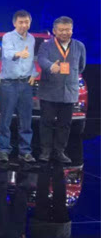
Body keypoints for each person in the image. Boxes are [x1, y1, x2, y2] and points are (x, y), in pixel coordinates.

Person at [37, 16, 86, 163]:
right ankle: (45, 151)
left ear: (72, 30)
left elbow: (81, 66)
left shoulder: (79, 46)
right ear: (54, 31)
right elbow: (41, 60)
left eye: (68, 29)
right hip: (49, 91)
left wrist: (70, 77)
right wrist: (51, 66)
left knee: (65, 124)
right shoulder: (46, 46)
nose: (65, 32)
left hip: (69, 92)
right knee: (46, 122)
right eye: (61, 30)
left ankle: (60, 151)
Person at [0, 10, 38, 164]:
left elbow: (31, 59)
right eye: (21, 22)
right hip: (9, 84)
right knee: (6, 120)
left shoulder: (32, 38)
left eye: (26, 22)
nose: (24, 25)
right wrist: (19, 53)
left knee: (26, 120)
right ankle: (3, 150)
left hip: (26, 84)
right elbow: (7, 54)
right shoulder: (7, 37)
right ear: (14, 23)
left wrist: (33, 73)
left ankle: (25, 151)